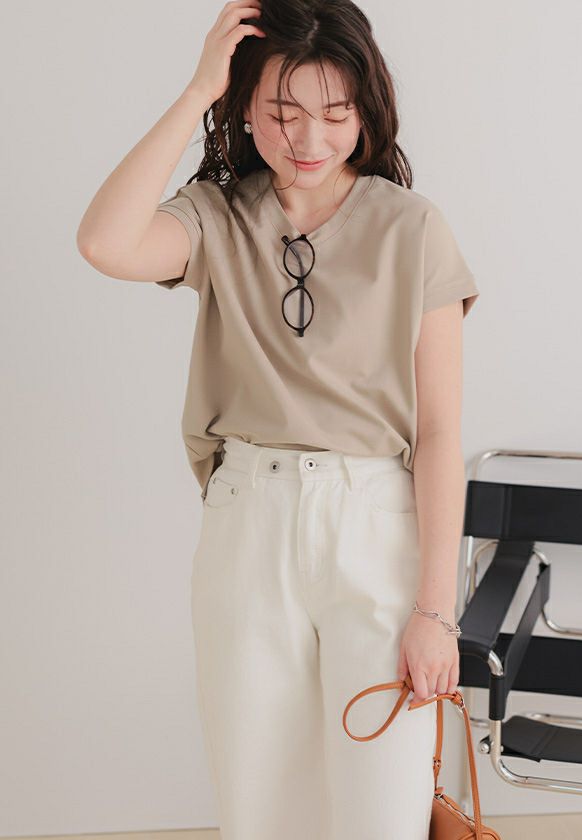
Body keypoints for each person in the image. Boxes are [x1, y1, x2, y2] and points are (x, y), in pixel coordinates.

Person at [76, 1, 480, 837]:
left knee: (384, 810)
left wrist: (436, 613)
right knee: (259, 809)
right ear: (246, 108)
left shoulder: (413, 227)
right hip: (248, 524)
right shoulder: (215, 215)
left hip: (377, 526)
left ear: (366, 112)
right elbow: (105, 243)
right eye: (282, 111)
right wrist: (197, 89)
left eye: (334, 113)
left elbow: (440, 432)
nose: (308, 137)